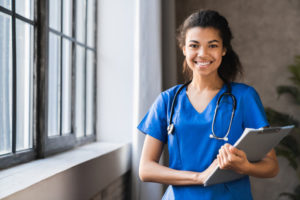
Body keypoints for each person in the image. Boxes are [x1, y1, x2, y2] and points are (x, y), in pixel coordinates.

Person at [137, 10, 279, 200]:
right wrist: (199, 177)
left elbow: (271, 166)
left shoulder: (244, 97)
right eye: (194, 45)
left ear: (223, 49)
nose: (202, 54)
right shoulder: (167, 101)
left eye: (212, 45)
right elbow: (145, 169)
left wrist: (245, 166)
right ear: (184, 48)